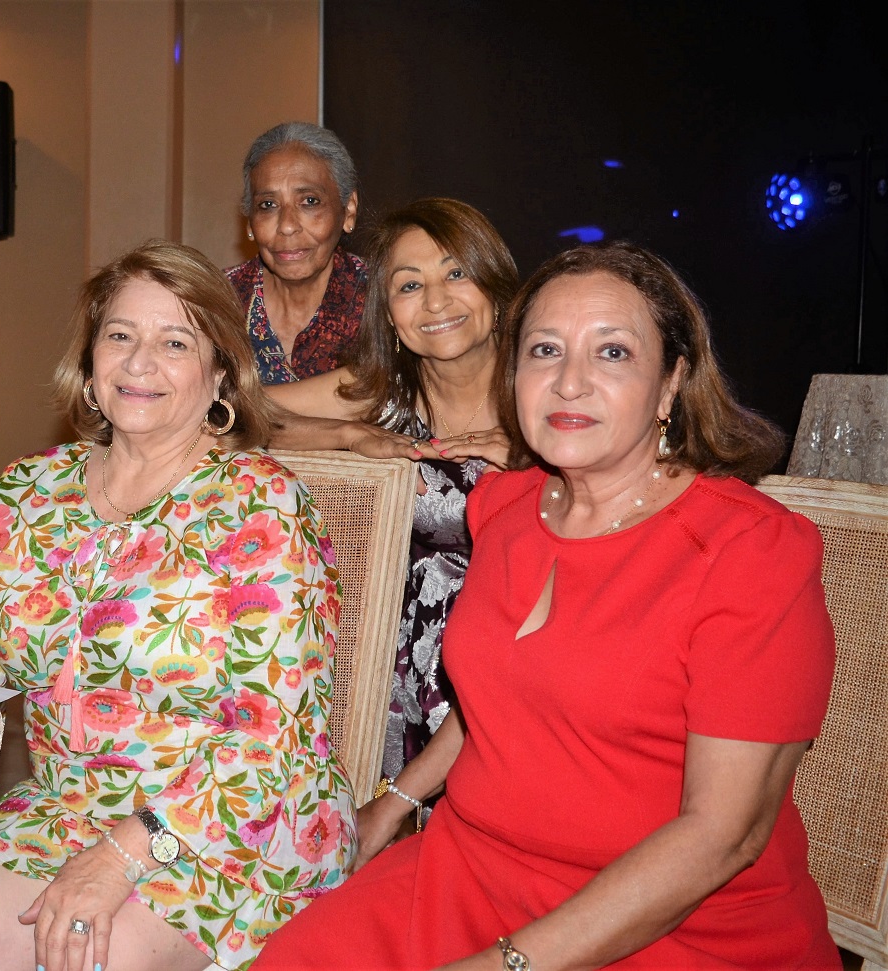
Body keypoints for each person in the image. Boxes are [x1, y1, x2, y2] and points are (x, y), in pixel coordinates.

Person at [252, 240, 841, 970]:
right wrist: (397, 800)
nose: (569, 382)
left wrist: (508, 964)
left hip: (665, 922)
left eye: (613, 353)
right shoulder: (504, 507)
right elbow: (497, 695)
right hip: (468, 871)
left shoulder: (748, 550)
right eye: (544, 350)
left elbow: (723, 835)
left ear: (670, 384)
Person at [0, 239, 356, 971]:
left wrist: (127, 852)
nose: (139, 362)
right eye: (121, 335)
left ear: (219, 373)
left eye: (174, 342)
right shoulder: (35, 490)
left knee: (72, 954)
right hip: (65, 808)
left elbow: (271, 741)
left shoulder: (261, 506)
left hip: (231, 825)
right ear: (92, 363)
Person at [265, 197, 519, 791]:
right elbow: (225, 416)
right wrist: (349, 434)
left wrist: (542, 457)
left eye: (456, 273)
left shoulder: (548, 389)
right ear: (389, 315)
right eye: (410, 285)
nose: (435, 301)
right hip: (385, 672)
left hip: (516, 676)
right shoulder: (381, 396)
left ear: (495, 285)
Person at [227, 120, 366, 384]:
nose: (287, 226)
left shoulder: (383, 300)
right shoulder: (216, 302)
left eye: (309, 202)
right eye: (267, 205)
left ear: (348, 210)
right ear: (249, 223)